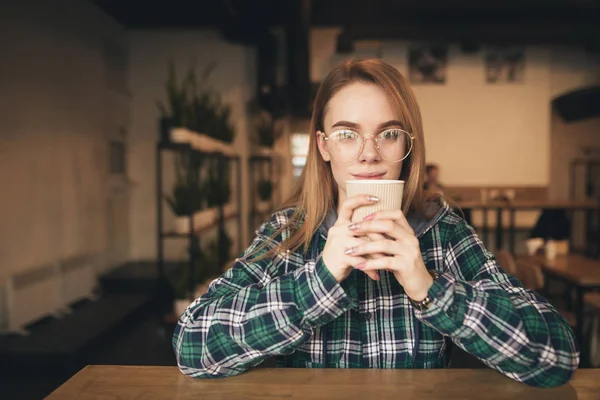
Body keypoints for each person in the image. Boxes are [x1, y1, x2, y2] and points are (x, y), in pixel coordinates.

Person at [172, 59, 578, 387]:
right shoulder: (287, 231)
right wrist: (320, 279)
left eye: (389, 133)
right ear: (323, 146)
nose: (369, 155)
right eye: (347, 134)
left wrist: (429, 289)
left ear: (408, 146)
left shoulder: (440, 229)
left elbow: (557, 356)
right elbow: (192, 346)